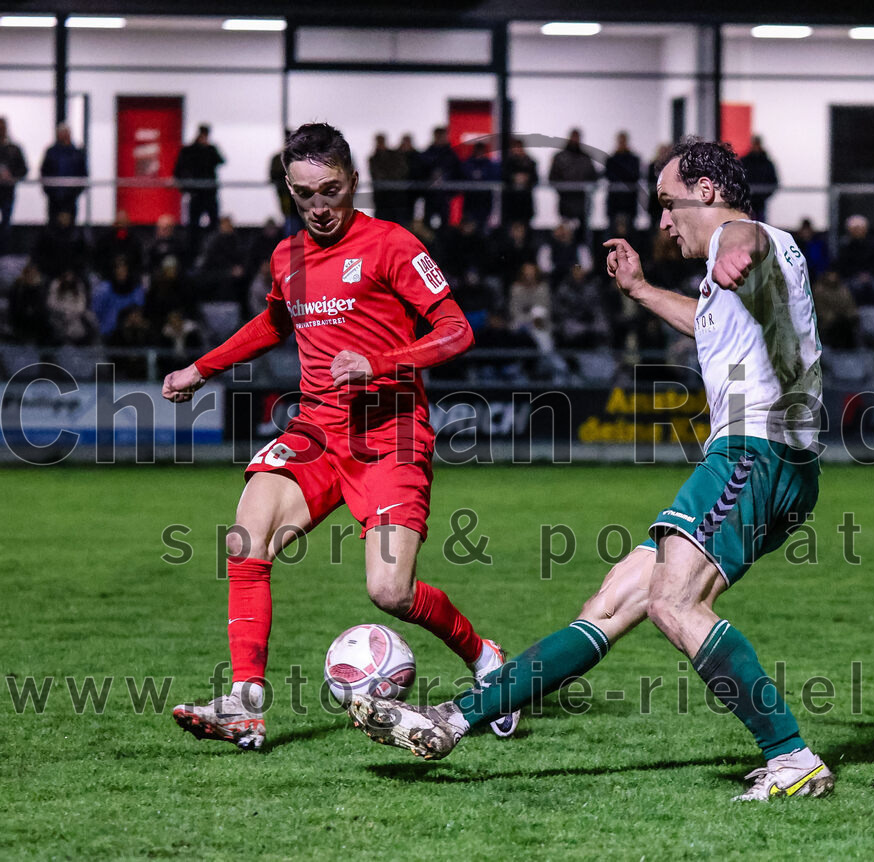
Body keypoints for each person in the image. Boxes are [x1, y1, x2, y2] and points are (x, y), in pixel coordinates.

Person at [349, 136, 834, 803]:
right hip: (768, 458)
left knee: (673, 601)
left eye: (668, 204)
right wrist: (639, 290)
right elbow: (711, 320)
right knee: (611, 603)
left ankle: (792, 756)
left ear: (709, 192)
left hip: (757, 450)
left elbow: (739, 239)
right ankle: (452, 721)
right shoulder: (734, 275)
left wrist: (735, 246)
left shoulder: (752, 240)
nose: (662, 221)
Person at [163, 122, 518, 751]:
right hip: (319, 433)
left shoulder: (392, 244)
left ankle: (482, 653)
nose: (320, 208)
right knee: (248, 535)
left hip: (391, 435)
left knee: (390, 591)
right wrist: (201, 367)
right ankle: (245, 701)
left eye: (330, 191)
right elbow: (272, 322)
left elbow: (457, 330)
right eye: (305, 196)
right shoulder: (286, 256)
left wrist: (378, 363)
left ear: (352, 180)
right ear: (290, 193)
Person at [174, 124, 225, 254]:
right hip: (196, 194)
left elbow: (221, 161)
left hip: (209, 194)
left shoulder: (210, 149)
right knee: (193, 229)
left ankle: (212, 252)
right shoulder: (190, 150)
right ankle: (192, 255)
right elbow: (178, 170)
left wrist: (208, 148)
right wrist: (185, 187)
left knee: (214, 226)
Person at [40, 122, 88, 225]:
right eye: (61, 133)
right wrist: (49, 190)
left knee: (70, 224)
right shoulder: (51, 152)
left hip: (71, 197)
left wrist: (76, 192)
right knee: (53, 225)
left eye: (65, 133)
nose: (64, 135)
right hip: (54, 197)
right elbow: (44, 172)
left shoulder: (77, 153)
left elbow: (83, 174)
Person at [549, 129, 598, 227]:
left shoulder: (585, 157)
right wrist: (564, 189)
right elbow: (553, 177)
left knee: (582, 231)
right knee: (566, 229)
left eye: (577, 137)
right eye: (573, 137)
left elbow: (593, 177)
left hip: (583, 201)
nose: (575, 140)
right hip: (565, 201)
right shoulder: (560, 157)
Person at [0, 116, 29, 254]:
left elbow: (23, 169)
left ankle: (4, 254)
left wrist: (12, 176)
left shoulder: (14, 149)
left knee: (6, 226)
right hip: (7, 192)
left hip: (7, 192)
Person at [604, 131, 641, 227]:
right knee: (612, 228)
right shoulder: (611, 159)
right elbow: (609, 176)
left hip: (629, 200)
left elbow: (634, 175)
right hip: (615, 200)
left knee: (630, 229)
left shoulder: (633, 159)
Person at [739, 136, 778, 223]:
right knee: (746, 225)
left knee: (760, 226)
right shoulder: (744, 162)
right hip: (746, 202)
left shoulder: (767, 163)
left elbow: (773, 182)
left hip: (760, 202)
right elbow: (738, 179)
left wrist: (763, 194)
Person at [501, 138, 538, 226]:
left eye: (519, 147)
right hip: (511, 202)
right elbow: (503, 177)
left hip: (525, 202)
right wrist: (514, 178)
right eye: (515, 147)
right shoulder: (507, 163)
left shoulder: (530, 162)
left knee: (525, 228)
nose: (517, 150)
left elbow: (535, 179)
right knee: (511, 227)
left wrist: (526, 178)